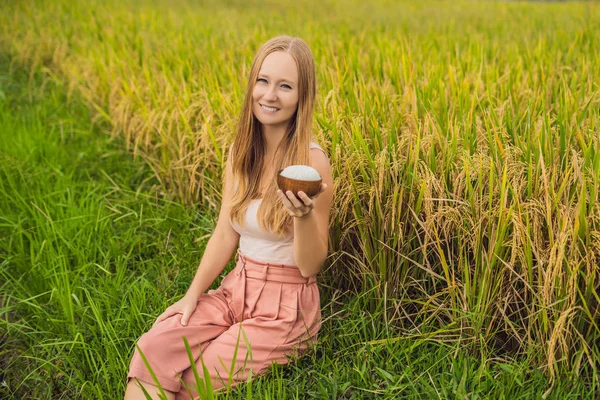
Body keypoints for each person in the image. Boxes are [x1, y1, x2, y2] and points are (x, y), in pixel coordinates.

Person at [124, 35, 334, 400]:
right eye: (263, 81)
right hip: (236, 288)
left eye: (285, 86)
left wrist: (302, 218)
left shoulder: (311, 163)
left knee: (193, 381)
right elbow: (225, 233)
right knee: (153, 349)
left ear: (303, 96)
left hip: (285, 308)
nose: (269, 95)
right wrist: (193, 295)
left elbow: (310, 265)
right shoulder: (241, 151)